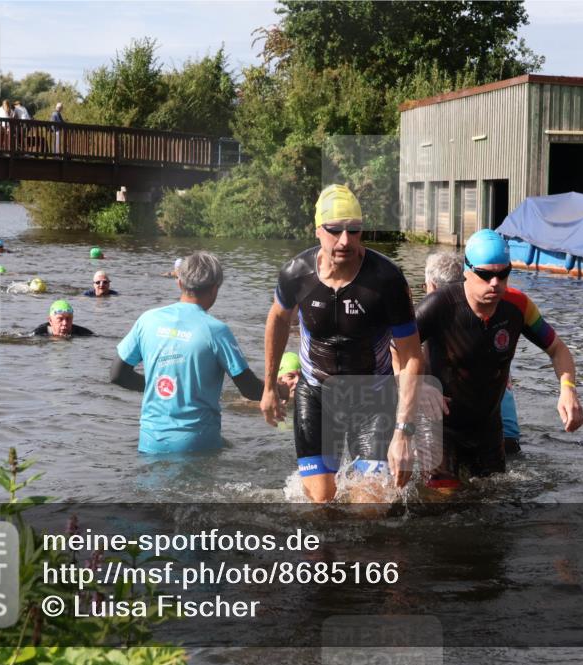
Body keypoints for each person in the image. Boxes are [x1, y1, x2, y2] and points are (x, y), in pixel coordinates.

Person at [260, 184, 422, 503]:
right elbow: (277, 320)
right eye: (335, 231)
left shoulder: (386, 280)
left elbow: (413, 356)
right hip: (317, 393)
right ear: (318, 230)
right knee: (321, 503)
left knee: (368, 509)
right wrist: (268, 387)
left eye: (355, 231)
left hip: (372, 397)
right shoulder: (297, 274)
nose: (345, 241)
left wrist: (404, 431)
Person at [414, 229, 583, 492]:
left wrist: (568, 390)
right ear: (467, 272)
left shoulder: (518, 306)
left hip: (487, 426)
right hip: (440, 425)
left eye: (503, 273)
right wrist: (417, 385)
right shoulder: (439, 306)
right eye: (485, 275)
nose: (495, 283)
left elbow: (558, 349)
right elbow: (395, 347)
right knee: (445, 501)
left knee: (495, 501)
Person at [110, 251, 274, 453]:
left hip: (151, 441)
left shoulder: (147, 320)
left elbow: (117, 375)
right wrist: (277, 389)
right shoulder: (216, 331)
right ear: (215, 289)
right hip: (197, 443)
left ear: (179, 283)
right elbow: (249, 389)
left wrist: (161, 387)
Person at [422, 250, 522, 454]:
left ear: (431, 287)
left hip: (453, 431)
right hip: (506, 435)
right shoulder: (492, 314)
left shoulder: (432, 318)